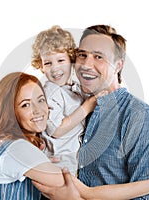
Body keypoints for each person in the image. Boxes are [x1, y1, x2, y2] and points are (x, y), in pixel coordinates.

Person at [0, 72, 149, 200]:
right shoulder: (19, 150)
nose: (39, 110)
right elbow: (85, 194)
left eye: (41, 100)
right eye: (25, 105)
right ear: (10, 111)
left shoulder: (9, 146)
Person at [33, 25, 149, 199]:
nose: (85, 64)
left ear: (118, 65)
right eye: (82, 55)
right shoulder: (73, 103)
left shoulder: (142, 119)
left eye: (98, 57)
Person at [31, 25, 98, 176]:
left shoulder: (72, 88)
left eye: (60, 60)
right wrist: (87, 106)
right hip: (59, 163)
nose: (55, 68)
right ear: (41, 66)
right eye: (48, 63)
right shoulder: (49, 93)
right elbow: (56, 130)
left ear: (71, 60)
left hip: (73, 161)